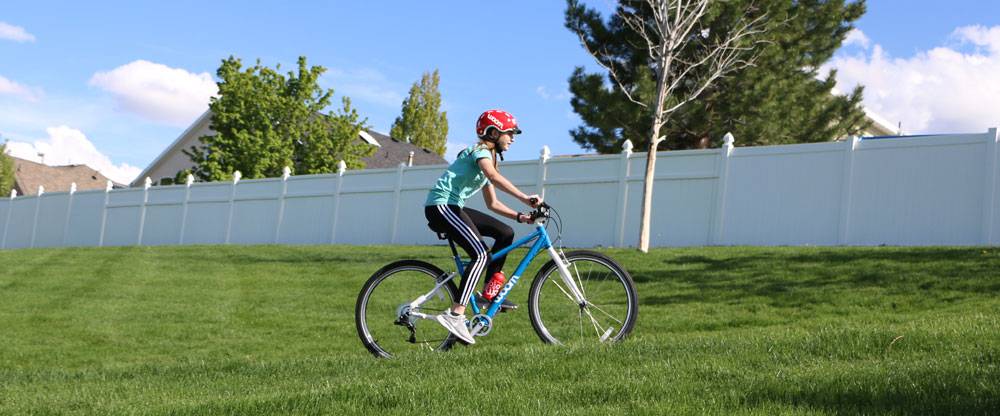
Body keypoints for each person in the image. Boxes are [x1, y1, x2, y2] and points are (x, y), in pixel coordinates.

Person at [424, 109, 542, 344]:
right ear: (494, 131)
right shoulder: (480, 151)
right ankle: (456, 315)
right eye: (510, 133)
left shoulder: (489, 159)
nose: (513, 138)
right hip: (441, 205)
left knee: (505, 233)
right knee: (480, 255)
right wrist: (525, 198)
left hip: (454, 206)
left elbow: (493, 203)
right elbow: (494, 177)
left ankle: (489, 296)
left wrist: (521, 217)